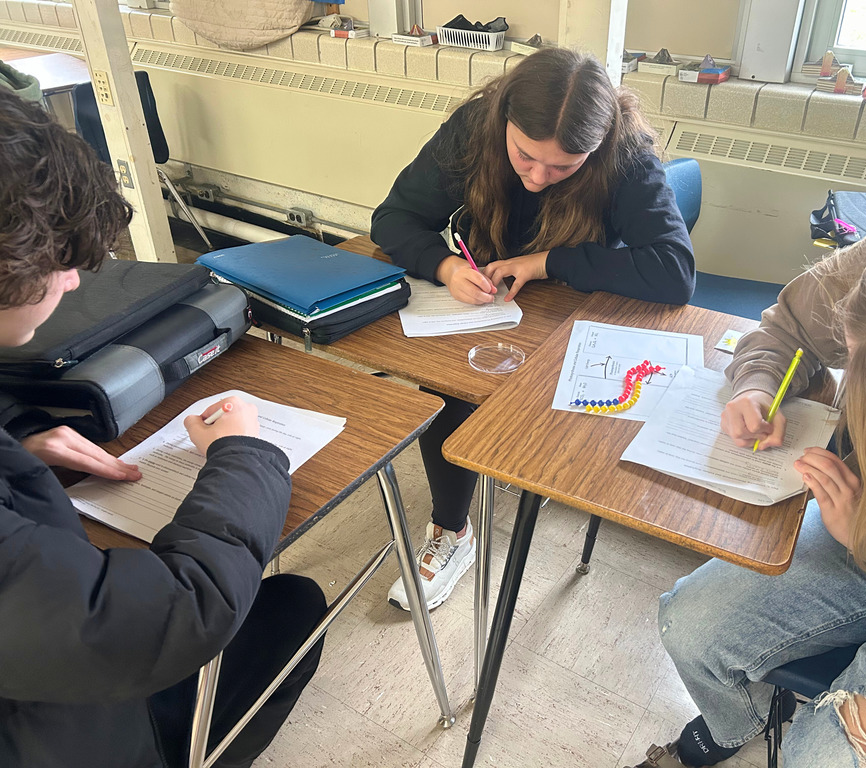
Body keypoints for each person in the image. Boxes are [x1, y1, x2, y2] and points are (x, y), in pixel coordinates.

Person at [628, 199, 866, 768]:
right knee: (689, 626)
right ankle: (741, 725)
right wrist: (759, 383)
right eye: (852, 358)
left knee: (820, 759)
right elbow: (788, 327)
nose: (851, 390)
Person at [0, 88, 326, 768]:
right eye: (57, 264)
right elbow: (176, 615)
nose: (71, 285)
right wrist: (245, 454)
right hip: (63, 737)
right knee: (295, 610)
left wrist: (18, 445)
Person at [371, 47, 695, 611]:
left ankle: (524, 468)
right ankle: (452, 531)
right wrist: (446, 267)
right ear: (504, 123)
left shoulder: (627, 154)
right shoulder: (475, 126)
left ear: (597, 146)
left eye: (565, 166)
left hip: (576, 306)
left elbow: (675, 272)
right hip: (487, 295)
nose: (539, 178)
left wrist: (547, 262)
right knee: (448, 382)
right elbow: (392, 218)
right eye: (524, 156)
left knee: (554, 399)